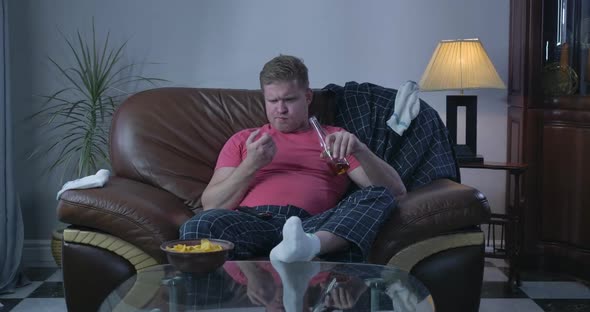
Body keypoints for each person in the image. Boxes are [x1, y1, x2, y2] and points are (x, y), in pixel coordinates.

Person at [179, 54, 406, 263]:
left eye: (289, 99)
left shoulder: (334, 138)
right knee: (199, 225)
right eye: (273, 101)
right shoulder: (244, 140)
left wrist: (360, 149)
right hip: (252, 222)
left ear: (307, 97)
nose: (280, 109)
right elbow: (212, 205)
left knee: (378, 195)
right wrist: (251, 164)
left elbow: (395, 192)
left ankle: (309, 246)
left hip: (311, 225)